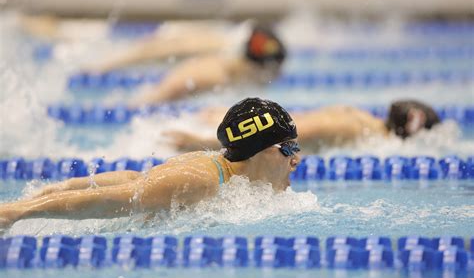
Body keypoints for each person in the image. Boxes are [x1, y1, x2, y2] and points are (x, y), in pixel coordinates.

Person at [0, 97, 301, 229]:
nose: (297, 159)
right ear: (261, 150)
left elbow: (136, 179)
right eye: (289, 148)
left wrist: (63, 186)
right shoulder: (202, 180)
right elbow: (110, 200)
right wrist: (18, 212)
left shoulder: (218, 169)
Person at [165, 99, 441, 153]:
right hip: (235, 138)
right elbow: (302, 128)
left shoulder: (362, 119)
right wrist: (205, 142)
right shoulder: (352, 128)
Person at [125, 23, 287, 106]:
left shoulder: (227, 65)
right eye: (270, 73)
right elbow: (159, 95)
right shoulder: (214, 76)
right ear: (255, 67)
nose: (270, 78)